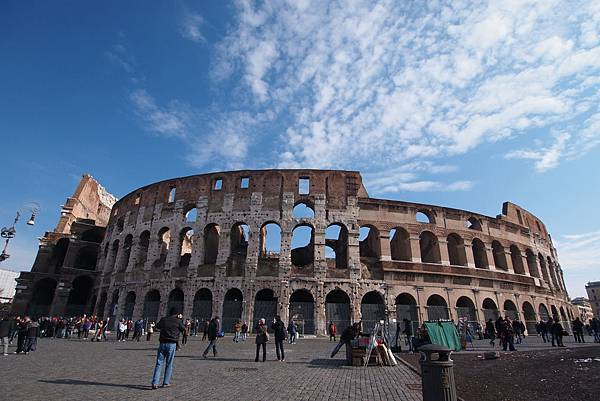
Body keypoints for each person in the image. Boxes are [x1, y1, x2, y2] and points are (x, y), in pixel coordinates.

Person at [151, 308, 186, 390]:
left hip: (162, 343)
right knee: (169, 363)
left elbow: (157, 327)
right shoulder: (178, 321)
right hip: (171, 344)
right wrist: (180, 319)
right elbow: (184, 329)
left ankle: (155, 382)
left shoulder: (164, 319)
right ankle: (165, 382)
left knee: (159, 363)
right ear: (177, 314)